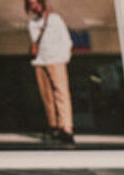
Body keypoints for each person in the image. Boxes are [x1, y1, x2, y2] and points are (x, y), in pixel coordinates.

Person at [26, 0, 75, 146]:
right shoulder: (31, 23)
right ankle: (54, 127)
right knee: (46, 95)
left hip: (57, 60)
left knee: (61, 93)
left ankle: (66, 127)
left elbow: (66, 40)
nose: (34, 6)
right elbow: (35, 41)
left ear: (42, 3)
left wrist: (64, 58)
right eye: (31, 4)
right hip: (40, 62)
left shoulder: (55, 19)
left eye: (36, 3)